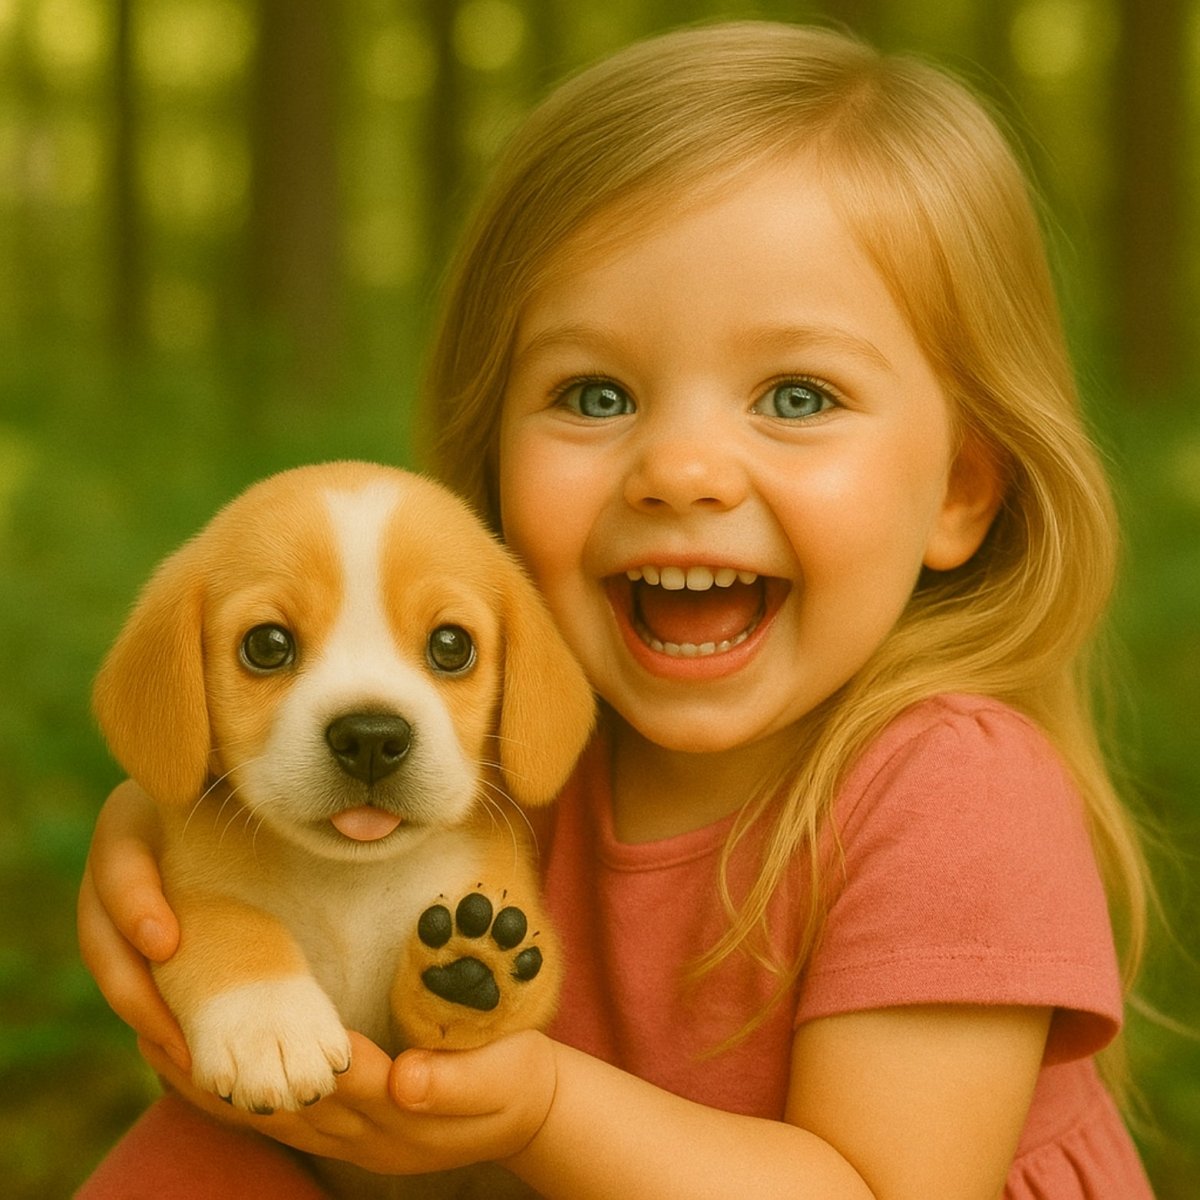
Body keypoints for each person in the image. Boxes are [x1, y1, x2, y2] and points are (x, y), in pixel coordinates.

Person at [76, 21, 1156, 1199]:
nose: (680, 469)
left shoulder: (957, 793)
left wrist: (544, 1107)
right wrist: (180, 829)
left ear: (958, 489)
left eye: (797, 393)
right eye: (595, 392)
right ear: (488, 467)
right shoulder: (510, 725)